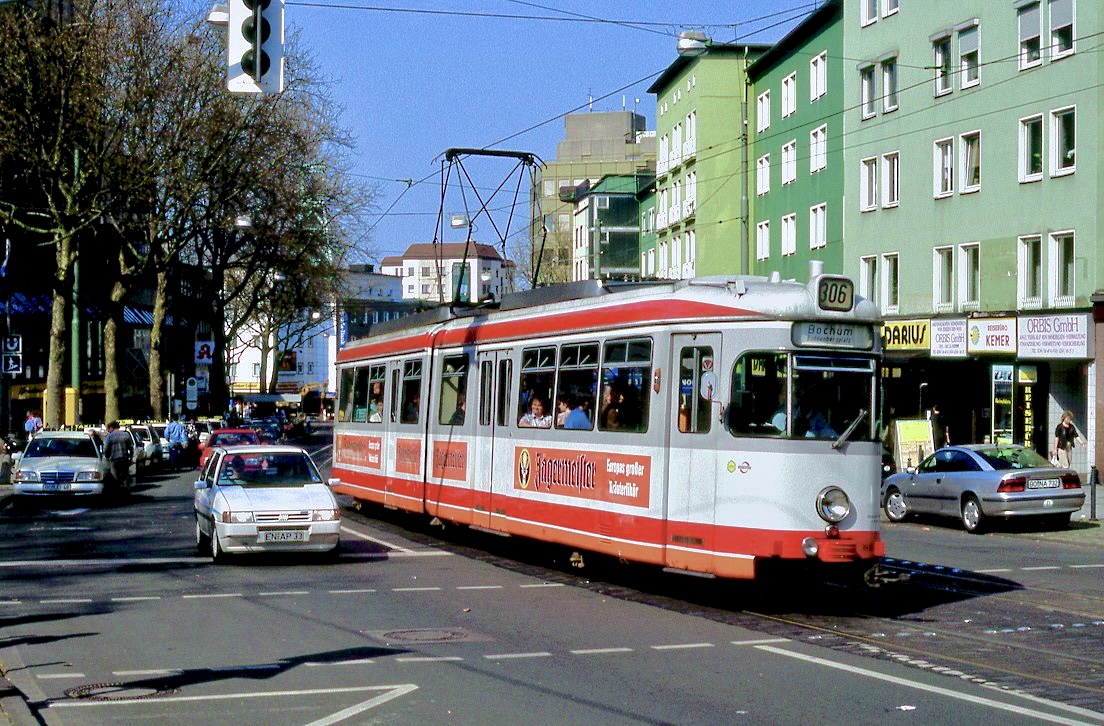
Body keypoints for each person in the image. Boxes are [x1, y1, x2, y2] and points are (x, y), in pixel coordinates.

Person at [103, 420, 134, 490]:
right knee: (125, 476)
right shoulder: (126, 435)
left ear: (111, 428)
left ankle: (117, 490)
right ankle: (125, 490)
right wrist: (131, 457)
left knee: (114, 476)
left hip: (114, 459)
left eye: (108, 429)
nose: (108, 431)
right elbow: (131, 448)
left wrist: (107, 456)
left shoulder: (109, 436)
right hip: (124, 458)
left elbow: (106, 449)